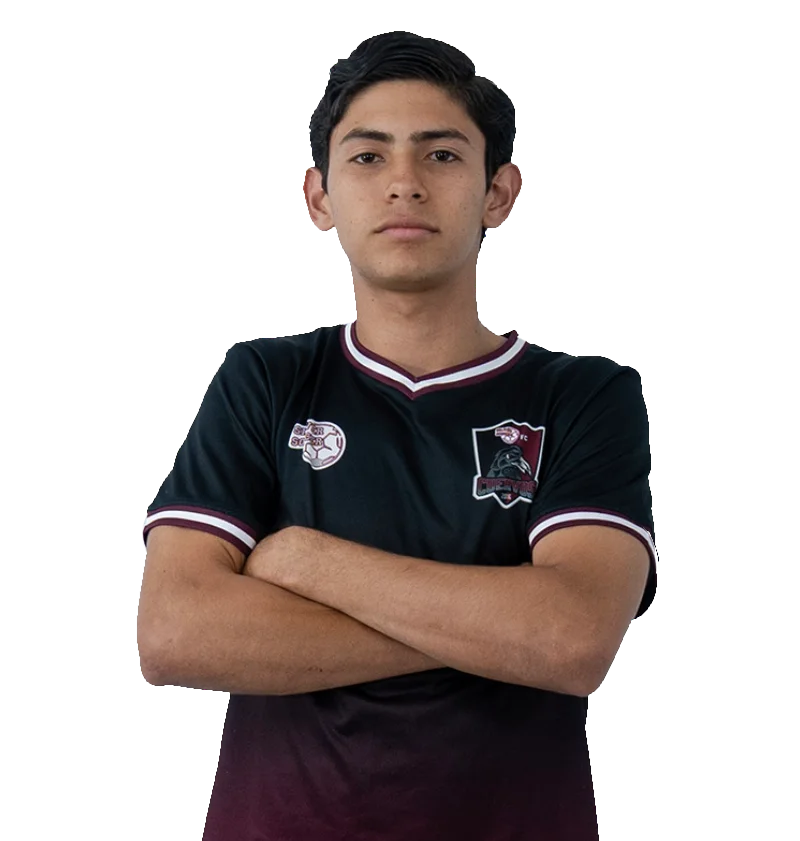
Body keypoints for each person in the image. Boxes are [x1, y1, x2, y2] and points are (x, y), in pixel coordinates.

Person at [138, 31, 656, 841]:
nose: (404, 182)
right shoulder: (264, 378)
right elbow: (174, 632)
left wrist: (305, 561)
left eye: (442, 155)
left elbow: (570, 639)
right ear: (318, 197)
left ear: (500, 192)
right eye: (369, 156)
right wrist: (493, 628)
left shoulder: (583, 395)